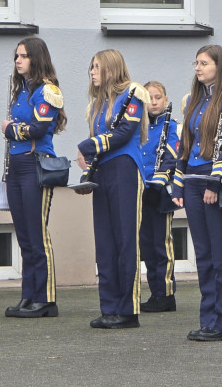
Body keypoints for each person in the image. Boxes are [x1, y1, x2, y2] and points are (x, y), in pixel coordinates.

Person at [171, 44, 222, 341]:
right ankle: (208, 319)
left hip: (214, 180)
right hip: (192, 179)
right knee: (203, 255)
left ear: (219, 65)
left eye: (203, 63)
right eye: (196, 62)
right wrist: (178, 183)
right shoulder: (194, 99)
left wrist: (214, 182)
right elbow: (185, 145)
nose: (197, 67)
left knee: (221, 256)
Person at [76, 49, 149, 330]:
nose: (92, 71)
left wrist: (86, 146)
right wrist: (86, 173)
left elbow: (123, 134)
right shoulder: (97, 104)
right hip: (104, 172)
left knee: (124, 240)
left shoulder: (132, 94)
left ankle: (127, 310)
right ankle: (109, 307)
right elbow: (97, 146)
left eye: (97, 67)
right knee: (105, 242)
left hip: (124, 170)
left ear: (110, 68)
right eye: (91, 67)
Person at [1, 37, 67, 318]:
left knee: (38, 234)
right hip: (16, 166)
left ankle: (46, 298)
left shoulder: (46, 91)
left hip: (35, 165)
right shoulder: (21, 91)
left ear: (36, 59)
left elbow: (39, 129)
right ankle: (28, 295)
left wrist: (10, 129)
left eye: (24, 56)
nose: (18, 60)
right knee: (25, 236)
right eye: (17, 55)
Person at [138, 80, 180, 313]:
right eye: (149, 98)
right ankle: (155, 292)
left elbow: (172, 155)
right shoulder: (139, 126)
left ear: (165, 100)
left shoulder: (171, 125)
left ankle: (166, 294)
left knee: (161, 243)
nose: (153, 102)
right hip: (141, 190)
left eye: (157, 98)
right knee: (147, 244)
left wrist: (160, 178)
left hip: (160, 191)